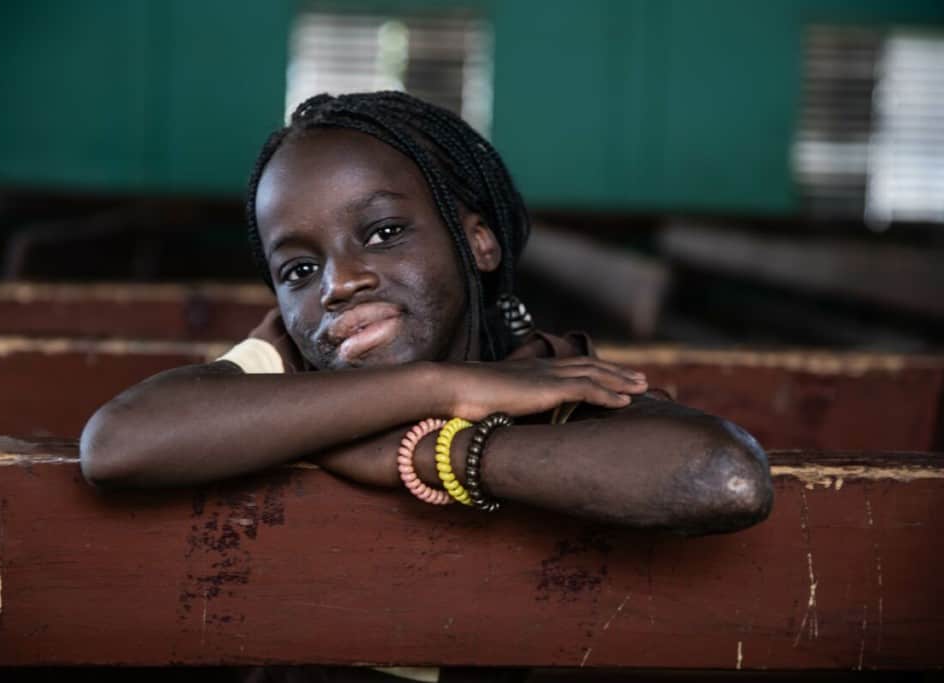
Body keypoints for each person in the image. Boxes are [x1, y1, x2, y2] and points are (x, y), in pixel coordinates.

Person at [80, 90, 771, 534]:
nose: (339, 283)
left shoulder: (547, 379)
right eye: (298, 269)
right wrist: (438, 390)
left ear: (478, 240)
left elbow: (723, 476)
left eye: (383, 232)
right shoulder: (286, 362)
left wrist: (439, 452)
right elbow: (116, 443)